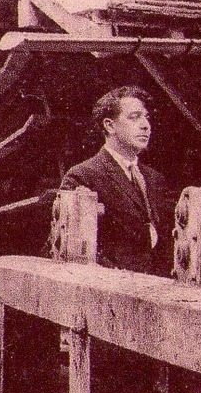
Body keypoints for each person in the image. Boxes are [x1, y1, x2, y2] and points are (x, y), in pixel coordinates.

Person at [60, 86, 173, 276]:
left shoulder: (154, 178)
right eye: (134, 117)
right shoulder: (83, 176)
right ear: (110, 126)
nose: (145, 125)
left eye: (146, 117)